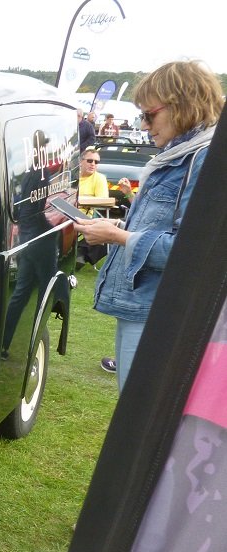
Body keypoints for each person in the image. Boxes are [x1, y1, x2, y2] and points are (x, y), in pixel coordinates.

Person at [75, 60, 223, 390]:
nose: (143, 124)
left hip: (158, 312)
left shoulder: (201, 160)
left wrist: (118, 235)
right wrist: (123, 227)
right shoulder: (179, 156)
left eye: (150, 114)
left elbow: (189, 253)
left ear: (182, 106)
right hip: (144, 307)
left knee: (138, 412)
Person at [75, 147, 114, 269]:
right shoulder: (72, 177)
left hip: (86, 215)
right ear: (81, 162)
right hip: (66, 213)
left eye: (96, 162)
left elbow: (102, 201)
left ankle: (81, 254)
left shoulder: (99, 178)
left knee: (105, 228)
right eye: (90, 161)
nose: (93, 164)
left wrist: (80, 200)